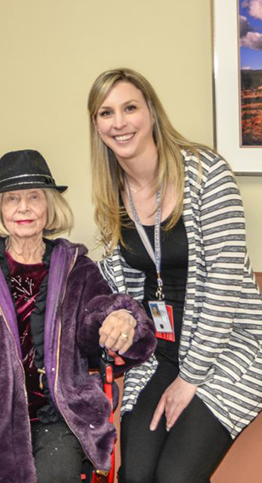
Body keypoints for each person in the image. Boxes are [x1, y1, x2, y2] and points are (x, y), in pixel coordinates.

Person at [0, 149, 156, 483]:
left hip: (59, 414)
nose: (23, 208)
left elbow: (99, 312)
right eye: (11, 198)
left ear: (49, 206)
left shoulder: (74, 267)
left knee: (58, 472)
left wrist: (122, 318)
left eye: (34, 197)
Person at [87, 67, 262, 483]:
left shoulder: (206, 174)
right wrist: (119, 316)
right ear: (96, 126)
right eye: (106, 113)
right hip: (160, 352)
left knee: (175, 477)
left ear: (151, 112)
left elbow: (226, 286)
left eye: (129, 107)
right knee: (136, 475)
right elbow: (117, 290)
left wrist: (190, 378)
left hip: (230, 347)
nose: (119, 122)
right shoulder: (112, 196)